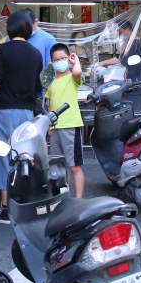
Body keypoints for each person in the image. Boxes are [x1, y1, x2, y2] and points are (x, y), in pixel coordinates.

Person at [0, 11, 43, 224]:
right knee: (23, 156)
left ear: (10, 28)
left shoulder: (2, 50)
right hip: (26, 113)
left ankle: (4, 207)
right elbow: (38, 88)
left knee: (2, 155)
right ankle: (23, 203)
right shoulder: (36, 53)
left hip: (3, 111)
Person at [46, 43, 85, 198]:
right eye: (57, 59)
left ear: (69, 58)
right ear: (52, 62)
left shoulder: (72, 78)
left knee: (74, 166)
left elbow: (77, 71)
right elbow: (50, 105)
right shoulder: (51, 82)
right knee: (57, 167)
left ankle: (79, 201)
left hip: (71, 126)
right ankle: (61, 199)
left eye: (63, 58)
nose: (60, 62)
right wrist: (49, 126)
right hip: (55, 128)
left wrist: (75, 60)